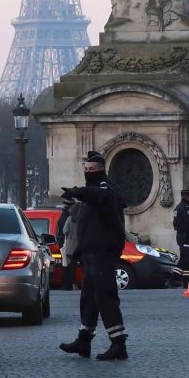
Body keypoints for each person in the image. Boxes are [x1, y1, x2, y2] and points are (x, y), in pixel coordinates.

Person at [58, 151, 129, 361]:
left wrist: (77, 191)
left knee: (105, 296)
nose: (88, 173)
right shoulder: (93, 194)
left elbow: (97, 195)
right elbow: (88, 224)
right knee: (88, 297)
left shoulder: (105, 191)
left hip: (103, 252)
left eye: (92, 170)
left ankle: (119, 343)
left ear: (101, 171)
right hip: (91, 252)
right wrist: (80, 249)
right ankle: (84, 340)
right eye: (86, 170)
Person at [170, 188, 189, 288]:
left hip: (182, 235)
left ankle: (185, 281)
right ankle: (173, 279)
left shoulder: (178, 207)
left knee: (186, 260)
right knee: (185, 259)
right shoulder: (184, 208)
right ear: (185, 196)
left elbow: (175, 223)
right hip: (185, 236)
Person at [57, 197, 82, 291]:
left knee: (68, 265)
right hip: (79, 244)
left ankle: (69, 284)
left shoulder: (67, 217)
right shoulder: (79, 217)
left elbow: (64, 231)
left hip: (68, 244)